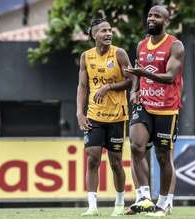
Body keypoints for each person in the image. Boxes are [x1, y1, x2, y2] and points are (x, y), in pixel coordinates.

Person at [125, 5, 184, 217]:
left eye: (157, 16)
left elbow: (170, 77)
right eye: (150, 15)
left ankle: (165, 202)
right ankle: (143, 198)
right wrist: (134, 90)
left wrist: (143, 73)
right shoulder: (142, 44)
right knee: (136, 146)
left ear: (166, 21)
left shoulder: (175, 46)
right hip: (145, 104)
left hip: (167, 108)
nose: (151, 18)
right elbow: (137, 74)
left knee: (162, 156)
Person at [76, 17, 132, 216]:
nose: (108, 33)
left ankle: (118, 203)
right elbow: (83, 86)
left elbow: (131, 82)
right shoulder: (86, 57)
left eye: (110, 30)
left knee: (116, 162)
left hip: (117, 116)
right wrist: (79, 112)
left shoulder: (120, 54)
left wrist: (108, 86)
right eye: (103, 31)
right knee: (92, 159)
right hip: (94, 116)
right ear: (93, 35)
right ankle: (92, 207)